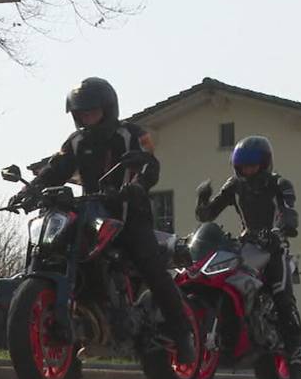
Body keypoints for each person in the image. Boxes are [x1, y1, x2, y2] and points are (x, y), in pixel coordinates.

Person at [15, 77, 196, 364]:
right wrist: (27, 191)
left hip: (129, 215)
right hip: (91, 212)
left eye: (92, 111)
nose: (86, 116)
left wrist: (137, 184)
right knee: (60, 254)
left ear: (107, 109)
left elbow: (149, 164)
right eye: (81, 112)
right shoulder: (76, 142)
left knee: (152, 267)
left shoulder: (131, 134)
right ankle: (71, 352)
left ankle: (183, 333)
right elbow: (55, 169)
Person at [195, 135, 301, 379]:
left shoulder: (280, 183)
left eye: (252, 165)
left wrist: (285, 226)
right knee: (222, 281)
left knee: (283, 299)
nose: (247, 170)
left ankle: (296, 364)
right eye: (243, 166)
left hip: (274, 248)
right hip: (246, 246)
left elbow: (288, 209)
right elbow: (209, 214)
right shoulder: (234, 185)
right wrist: (203, 199)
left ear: (264, 163)